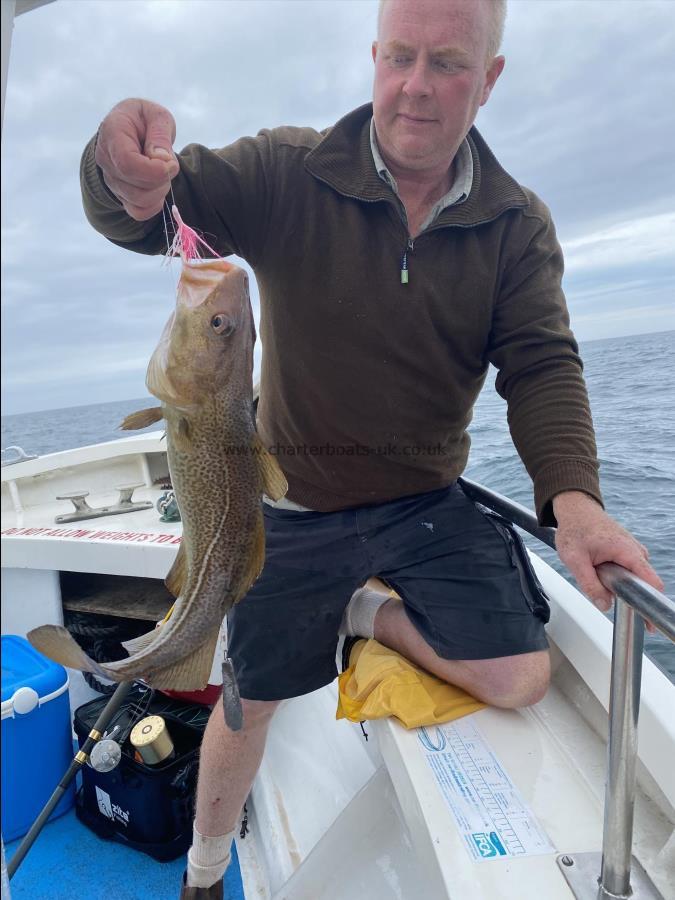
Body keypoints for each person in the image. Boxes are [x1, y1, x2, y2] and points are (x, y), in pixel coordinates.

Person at [80, 1, 664, 896]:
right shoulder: (287, 171)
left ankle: (362, 616)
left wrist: (574, 501)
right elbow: (145, 217)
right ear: (374, 57)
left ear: (491, 78)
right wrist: (114, 166)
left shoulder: (516, 225)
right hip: (289, 503)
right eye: (400, 56)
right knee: (249, 696)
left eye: (447, 64)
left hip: (423, 503)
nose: (416, 88)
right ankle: (201, 872)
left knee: (519, 675)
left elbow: (541, 364)